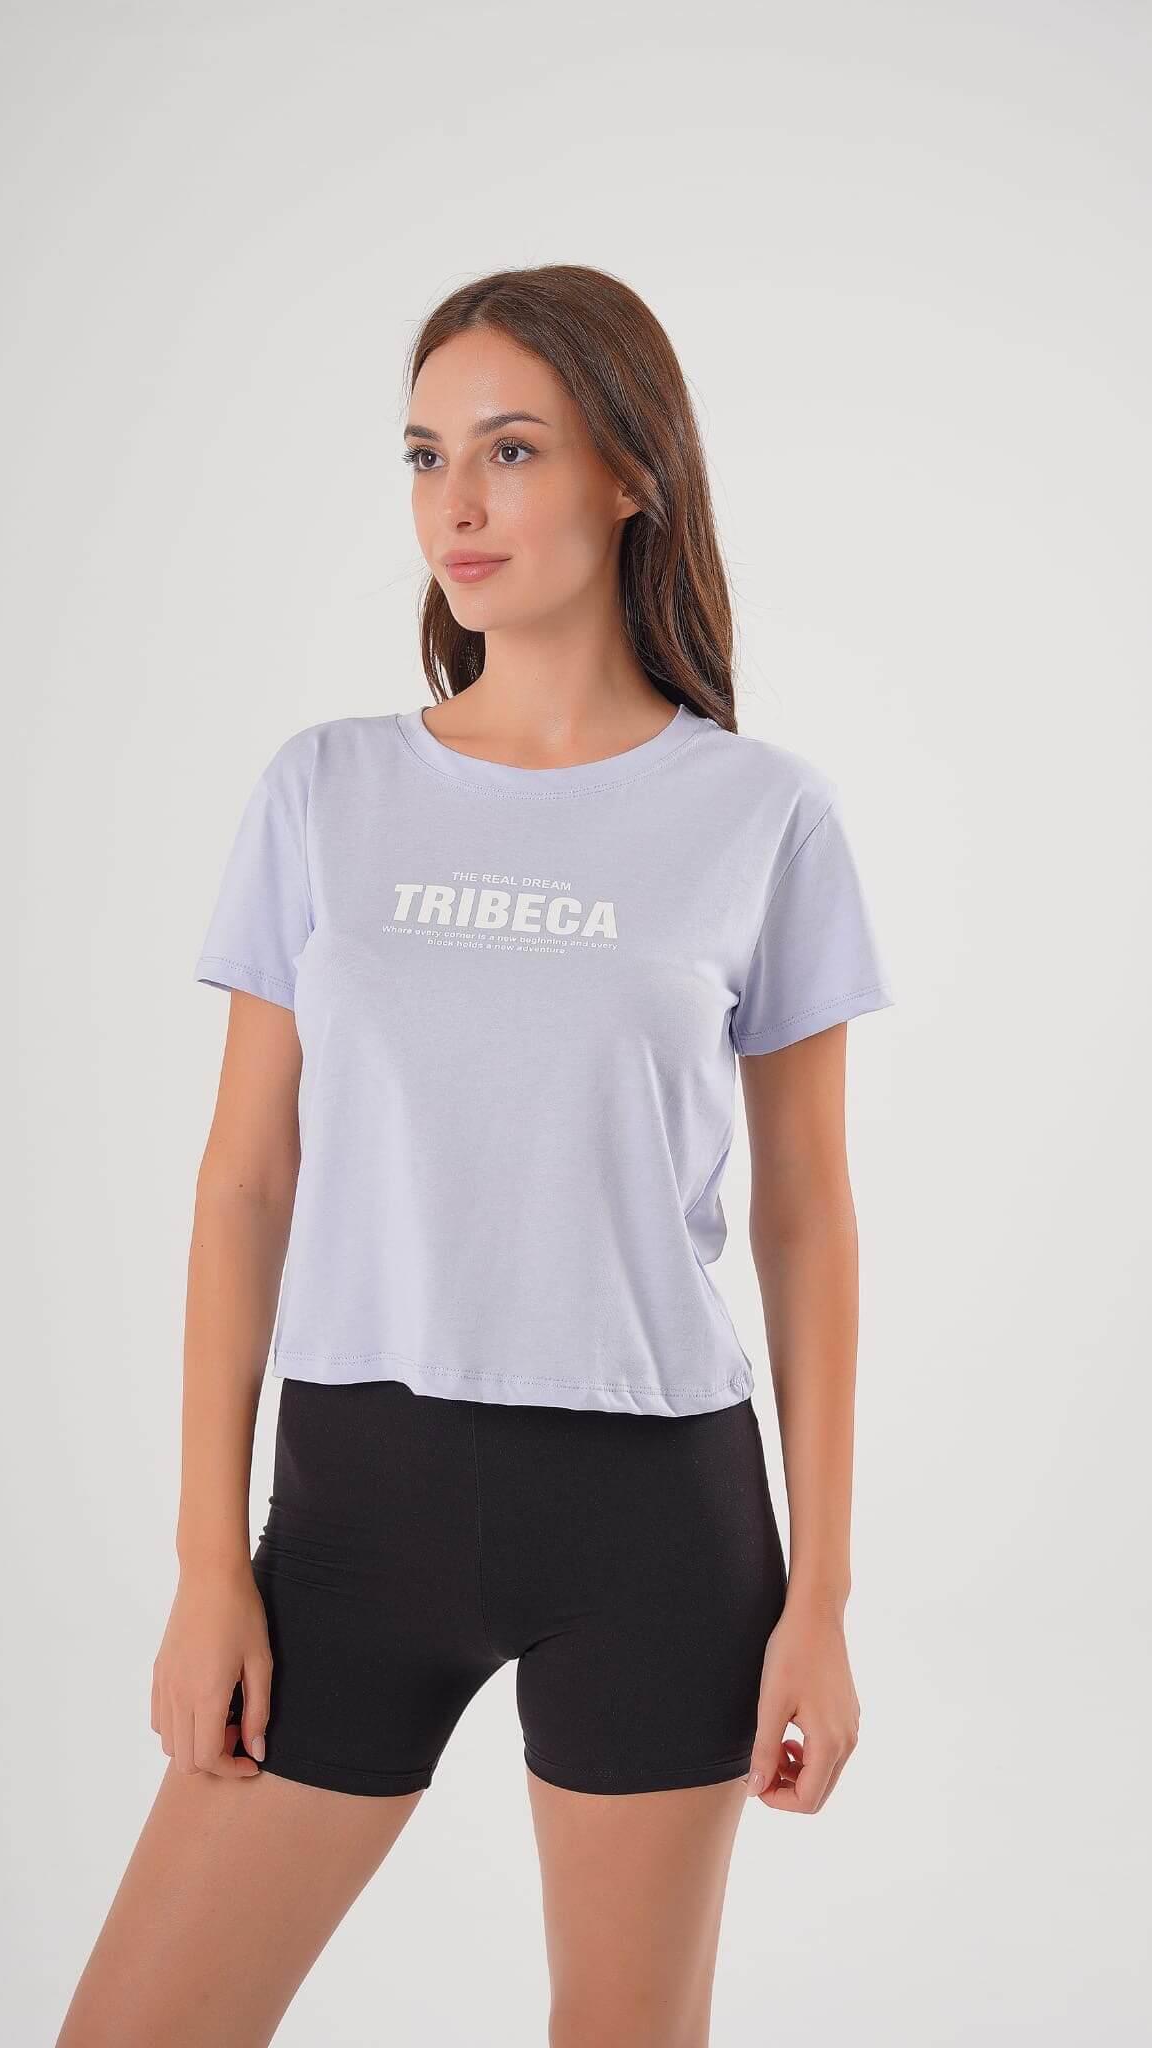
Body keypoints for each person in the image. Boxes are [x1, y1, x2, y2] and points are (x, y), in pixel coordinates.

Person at [56, 264, 895, 2048]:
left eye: (510, 449)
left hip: (657, 1520)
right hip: (357, 1509)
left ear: (629, 473)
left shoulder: (761, 815)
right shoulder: (324, 791)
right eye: (425, 454)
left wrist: (818, 1597)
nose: (456, 502)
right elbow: (243, 1185)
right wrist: (207, 1564)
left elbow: (808, 1217)